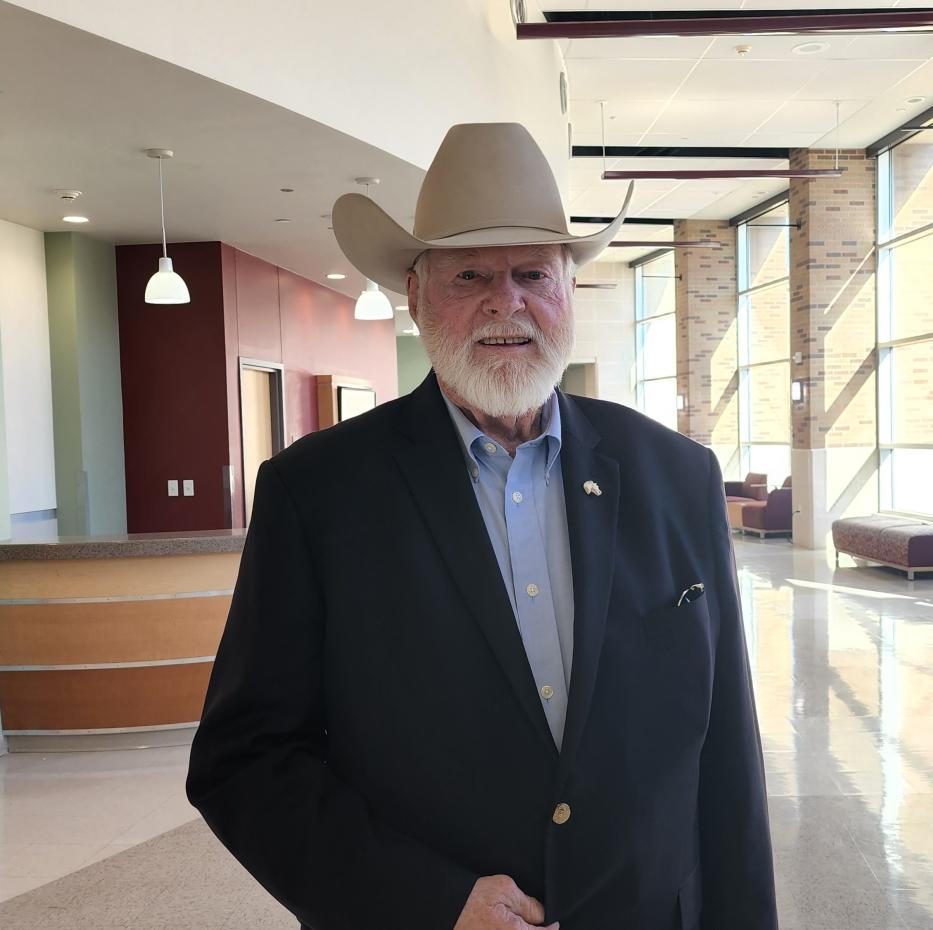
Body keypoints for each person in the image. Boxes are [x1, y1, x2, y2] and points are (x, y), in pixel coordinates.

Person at [186, 122, 778, 930]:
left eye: (534, 272)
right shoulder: (316, 494)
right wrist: (429, 902)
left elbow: (727, 760)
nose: (509, 303)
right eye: (471, 275)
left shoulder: (677, 476)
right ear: (418, 296)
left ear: (570, 290)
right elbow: (243, 763)